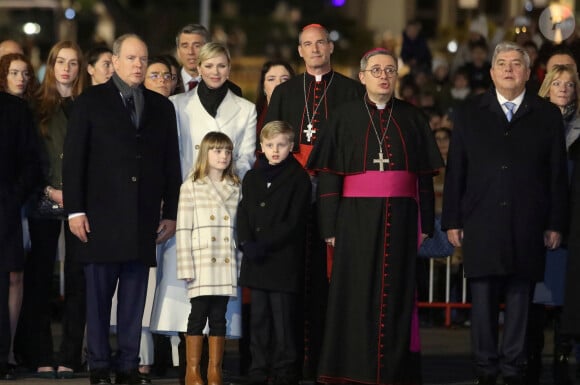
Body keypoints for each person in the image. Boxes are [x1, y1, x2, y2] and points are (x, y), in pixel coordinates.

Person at [306, 47, 442, 384]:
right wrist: (329, 224)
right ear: (362, 76)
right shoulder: (343, 117)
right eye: (377, 70)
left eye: (390, 70)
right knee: (353, 293)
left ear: (397, 76)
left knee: (397, 292)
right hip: (354, 219)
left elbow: (423, 176)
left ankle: (395, 371)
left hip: (402, 217)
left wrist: (425, 222)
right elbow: (328, 176)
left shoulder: (412, 117)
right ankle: (351, 369)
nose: (384, 76)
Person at [441, 42, 569, 385]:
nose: (509, 69)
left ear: (529, 73)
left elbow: (556, 174)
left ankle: (513, 369)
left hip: (529, 222)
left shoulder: (546, 115)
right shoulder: (469, 112)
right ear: (492, 71)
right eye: (502, 63)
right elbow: (456, 171)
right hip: (481, 221)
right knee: (481, 300)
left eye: (516, 64)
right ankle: (485, 369)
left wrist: (556, 222)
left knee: (520, 300)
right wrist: (451, 219)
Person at [63, 34, 181, 385]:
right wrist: (74, 211)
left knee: (133, 301)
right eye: (131, 58)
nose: (138, 65)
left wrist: (171, 212)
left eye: (143, 59)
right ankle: (98, 364)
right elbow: (74, 163)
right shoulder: (91, 101)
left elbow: (170, 165)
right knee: (98, 301)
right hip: (98, 220)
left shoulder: (162, 107)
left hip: (142, 220)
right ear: (114, 61)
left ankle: (128, 364)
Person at [149, 41, 255, 383]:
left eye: (222, 66)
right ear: (198, 68)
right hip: (187, 203)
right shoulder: (177, 105)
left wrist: (221, 178)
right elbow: (169, 156)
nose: (215, 72)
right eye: (209, 66)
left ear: (229, 68)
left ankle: (214, 368)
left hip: (226, 203)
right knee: (186, 294)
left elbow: (247, 158)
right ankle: (188, 368)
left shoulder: (246, 108)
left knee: (220, 302)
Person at [264, 23, 364, 377]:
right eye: (308, 44)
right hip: (293, 194)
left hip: (335, 194)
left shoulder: (353, 91)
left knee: (329, 281)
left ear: (330, 48)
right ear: (300, 51)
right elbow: (270, 144)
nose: (315, 49)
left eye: (320, 43)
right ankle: (290, 361)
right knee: (292, 277)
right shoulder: (286, 91)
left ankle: (328, 360)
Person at [15, 40, 84, 379]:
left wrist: (75, 193)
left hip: (80, 203)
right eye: (60, 61)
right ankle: (41, 352)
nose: (66, 68)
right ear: (51, 65)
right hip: (42, 199)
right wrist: (49, 190)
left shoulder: (89, 105)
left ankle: (71, 354)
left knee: (77, 279)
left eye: (72, 62)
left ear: (79, 67)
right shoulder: (34, 105)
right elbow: (29, 154)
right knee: (39, 280)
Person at [237, 121, 311, 385]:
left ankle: (285, 371)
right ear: (262, 147)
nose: (275, 150)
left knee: (282, 321)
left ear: (291, 146)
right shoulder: (253, 177)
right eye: (270, 145)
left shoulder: (298, 178)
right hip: (256, 260)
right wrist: (245, 242)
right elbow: (243, 213)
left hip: (281, 260)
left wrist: (262, 244)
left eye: (281, 145)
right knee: (258, 320)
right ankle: (258, 369)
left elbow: (293, 222)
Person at [524, 64, 580, 385]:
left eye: (569, 85)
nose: (562, 89)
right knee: (534, 293)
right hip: (536, 219)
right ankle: (532, 354)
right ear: (546, 88)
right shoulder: (533, 124)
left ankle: (562, 353)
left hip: (570, 223)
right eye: (556, 83)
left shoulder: (579, 128)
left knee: (564, 292)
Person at [176, 131, 241, 385]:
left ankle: (214, 371)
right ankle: (192, 371)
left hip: (225, 260)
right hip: (202, 260)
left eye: (227, 151)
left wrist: (240, 262)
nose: (223, 156)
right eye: (217, 150)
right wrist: (185, 265)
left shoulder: (235, 186)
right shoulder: (191, 185)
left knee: (219, 317)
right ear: (205, 153)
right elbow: (183, 229)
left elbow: (238, 228)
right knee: (197, 315)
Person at [0, 92, 41, 380]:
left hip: (5, 211)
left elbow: (31, 162)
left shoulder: (14, 109)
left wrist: (11, 199)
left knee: (5, 284)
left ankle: (3, 356)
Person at [175, 23, 241, 96]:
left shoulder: (231, 91)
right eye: (185, 46)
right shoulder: (165, 85)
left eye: (197, 46)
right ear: (178, 51)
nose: (190, 52)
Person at [255, 60, 294, 134]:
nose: (278, 84)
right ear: (263, 87)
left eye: (284, 79)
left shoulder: (301, 115)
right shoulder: (253, 116)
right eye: (271, 79)